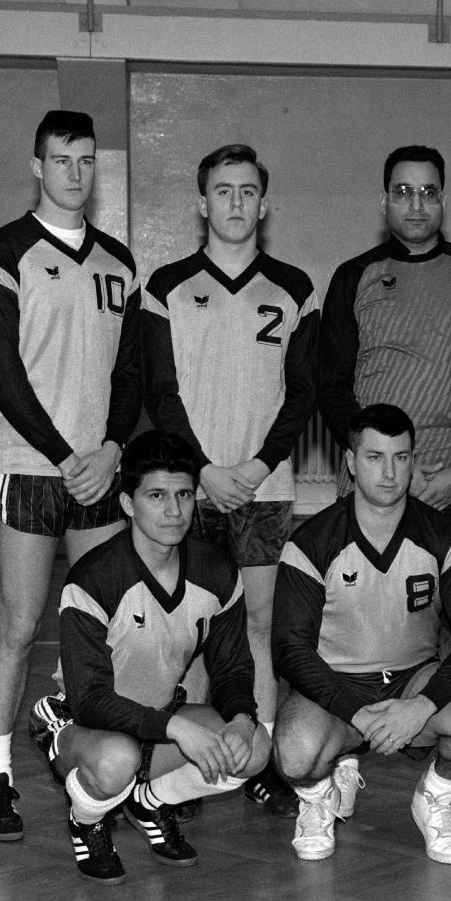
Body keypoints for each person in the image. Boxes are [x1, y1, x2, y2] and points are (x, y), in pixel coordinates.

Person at [0, 109, 143, 842]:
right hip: (30, 469)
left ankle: (108, 768)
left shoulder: (119, 263)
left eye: (85, 161)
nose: (75, 172)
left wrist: (108, 449)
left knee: (107, 632)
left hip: (98, 475)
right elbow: (0, 373)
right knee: (18, 623)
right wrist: (63, 452)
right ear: (36, 166)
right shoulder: (1, 255)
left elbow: (130, 372)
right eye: (61, 160)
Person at [140, 143, 320, 819]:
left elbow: (301, 394)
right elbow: (162, 391)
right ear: (201, 203)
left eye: (248, 192)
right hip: (190, 488)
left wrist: (253, 467)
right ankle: (187, 761)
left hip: (263, 486)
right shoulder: (166, 286)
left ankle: (259, 759)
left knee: (258, 625)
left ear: (264, 204)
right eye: (223, 191)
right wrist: (203, 471)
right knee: (184, 629)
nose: (236, 203)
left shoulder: (296, 288)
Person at [26, 430, 271, 884]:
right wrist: (179, 729)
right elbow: (92, 700)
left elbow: (233, 666)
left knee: (253, 749)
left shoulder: (216, 572)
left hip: (158, 718)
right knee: (116, 760)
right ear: (127, 504)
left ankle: (151, 799)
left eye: (183, 495)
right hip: (81, 725)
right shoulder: (93, 579)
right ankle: (86, 820)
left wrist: (240, 718)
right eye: (156, 495)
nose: (173, 510)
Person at [271, 403, 451, 864]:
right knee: (295, 753)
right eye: (375, 457)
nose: (390, 472)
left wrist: (422, 705)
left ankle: (436, 796)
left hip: (413, 680)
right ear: (350, 462)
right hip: (335, 689)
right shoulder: (311, 542)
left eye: (401, 457)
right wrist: (356, 713)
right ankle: (318, 798)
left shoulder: (445, 535)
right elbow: (290, 651)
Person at [318, 145, 451, 534]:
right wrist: (382, 465)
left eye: (428, 193)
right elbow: (331, 388)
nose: (416, 204)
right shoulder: (353, 276)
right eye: (403, 192)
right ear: (384, 201)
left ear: (443, 200)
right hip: (371, 486)